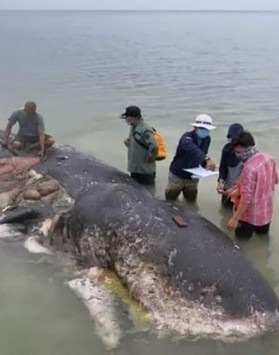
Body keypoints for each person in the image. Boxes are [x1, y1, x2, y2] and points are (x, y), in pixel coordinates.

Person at [227, 131, 278, 239]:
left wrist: (235, 219)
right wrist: (237, 187)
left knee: (241, 244)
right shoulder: (268, 158)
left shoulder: (249, 169)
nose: (236, 154)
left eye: (237, 151)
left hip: (249, 216)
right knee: (263, 241)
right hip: (266, 212)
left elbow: (246, 199)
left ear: (241, 147)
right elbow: (275, 180)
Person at [165, 114, 216, 202]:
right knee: (171, 199)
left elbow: (202, 154)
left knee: (191, 199)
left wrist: (205, 165)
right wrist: (207, 159)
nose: (205, 131)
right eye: (202, 128)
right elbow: (193, 149)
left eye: (206, 129)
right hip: (178, 174)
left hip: (193, 175)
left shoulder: (207, 139)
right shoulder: (186, 137)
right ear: (195, 127)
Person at [120, 105, 157, 185]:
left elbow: (154, 145)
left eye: (127, 118)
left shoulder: (145, 129)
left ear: (134, 118)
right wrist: (128, 143)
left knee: (147, 192)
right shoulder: (133, 127)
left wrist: (151, 156)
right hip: (135, 168)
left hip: (145, 171)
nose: (126, 120)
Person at [217, 123, 244, 207]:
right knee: (225, 210)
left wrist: (236, 188)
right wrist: (220, 182)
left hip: (241, 190)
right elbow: (222, 167)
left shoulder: (246, 153)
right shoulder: (226, 149)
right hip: (227, 187)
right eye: (229, 137)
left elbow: (248, 177)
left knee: (238, 213)